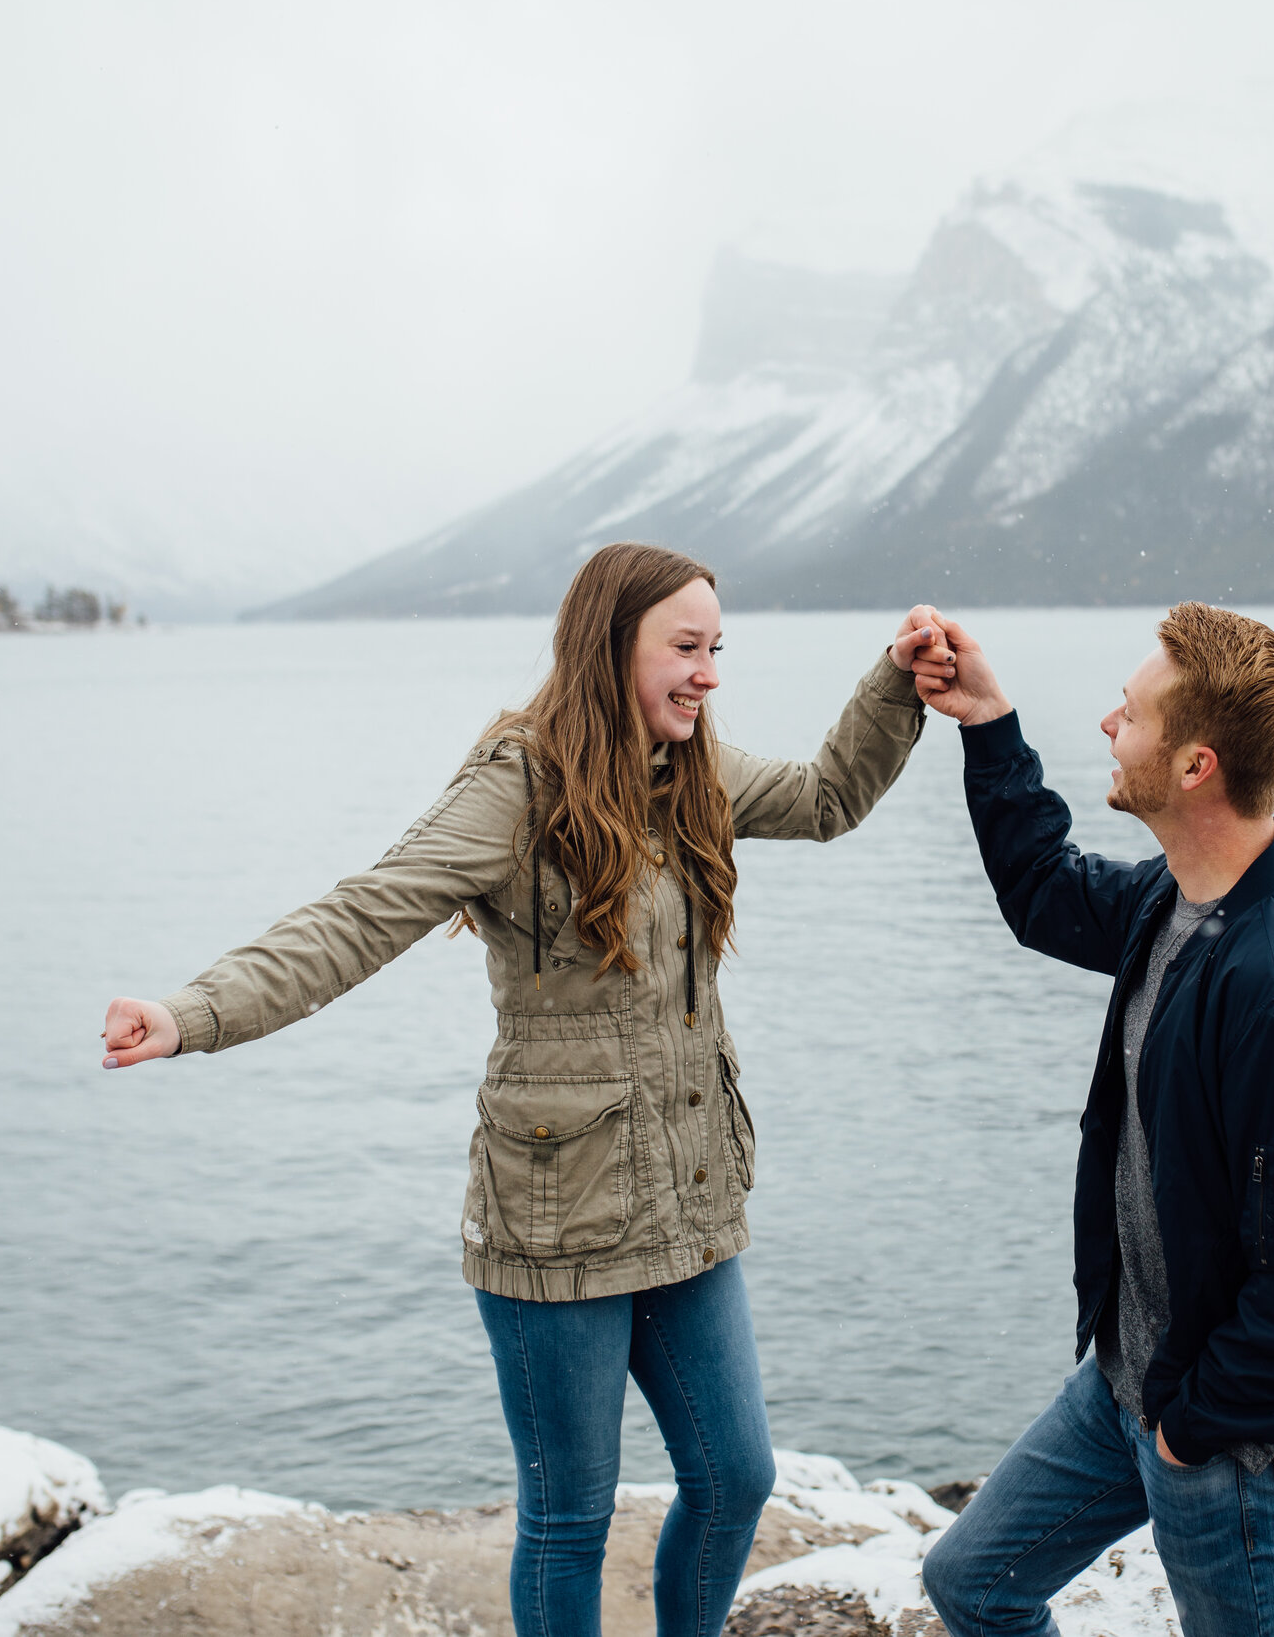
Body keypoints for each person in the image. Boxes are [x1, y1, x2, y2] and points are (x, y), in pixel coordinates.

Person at [98, 543, 953, 1637]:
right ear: (610, 647)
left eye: (716, 649)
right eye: (685, 649)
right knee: (568, 1515)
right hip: (556, 1212)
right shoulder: (516, 782)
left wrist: (893, 679)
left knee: (735, 1474)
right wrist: (192, 1012)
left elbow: (831, 796)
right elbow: (367, 911)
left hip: (687, 1197)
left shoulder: (691, 769)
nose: (708, 674)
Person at [903, 602, 1274, 1637]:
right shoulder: (1174, 904)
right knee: (974, 1584)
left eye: (1127, 714)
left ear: (1194, 766)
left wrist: (1186, 1433)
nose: (1107, 725)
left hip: (1234, 1444)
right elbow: (1042, 891)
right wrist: (988, 721)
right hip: (1130, 1381)